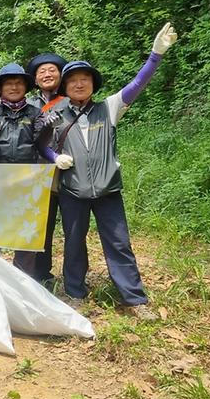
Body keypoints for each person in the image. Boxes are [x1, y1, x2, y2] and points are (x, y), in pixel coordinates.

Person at [45, 23, 178, 321]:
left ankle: (134, 299)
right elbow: (40, 145)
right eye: (73, 81)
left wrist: (155, 55)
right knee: (73, 242)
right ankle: (75, 293)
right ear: (65, 88)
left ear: (93, 84)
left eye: (85, 79)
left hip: (108, 190)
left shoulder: (110, 108)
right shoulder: (54, 115)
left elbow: (137, 85)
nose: (79, 84)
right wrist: (54, 156)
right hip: (72, 191)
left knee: (119, 242)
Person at [0, 63, 60, 275]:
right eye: (9, 83)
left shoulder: (35, 112)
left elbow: (41, 145)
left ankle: (23, 283)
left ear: (26, 86)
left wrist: (47, 127)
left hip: (28, 180)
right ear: (0, 88)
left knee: (25, 233)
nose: (14, 87)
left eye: (18, 83)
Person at [22, 52, 69, 283]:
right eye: (42, 72)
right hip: (40, 172)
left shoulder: (72, 99)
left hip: (72, 172)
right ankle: (40, 274)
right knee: (41, 225)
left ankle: (74, 278)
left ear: (61, 75)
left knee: (74, 228)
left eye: (52, 70)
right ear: (35, 79)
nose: (47, 74)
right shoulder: (29, 105)